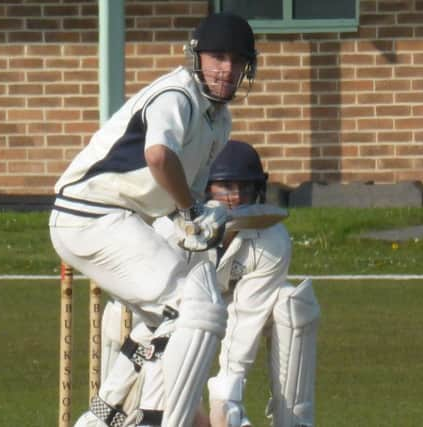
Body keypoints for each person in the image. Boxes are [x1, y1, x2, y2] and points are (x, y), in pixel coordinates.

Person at [49, 12, 258, 427]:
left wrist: (205, 218)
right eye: (218, 57)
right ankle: (163, 420)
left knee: (159, 320)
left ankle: (101, 417)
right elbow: (158, 157)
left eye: (237, 60)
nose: (227, 69)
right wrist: (190, 212)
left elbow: (187, 194)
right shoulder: (176, 97)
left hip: (125, 217)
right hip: (90, 215)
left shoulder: (220, 120)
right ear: (197, 58)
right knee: (192, 309)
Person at [100, 140, 321, 427]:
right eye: (226, 187)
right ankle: (112, 412)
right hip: (174, 315)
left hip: (230, 310)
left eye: (245, 187)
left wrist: (227, 396)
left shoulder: (273, 239)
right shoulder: (170, 232)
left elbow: (247, 316)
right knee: (119, 313)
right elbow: (158, 313)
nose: (236, 197)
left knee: (292, 304)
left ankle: (293, 421)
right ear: (205, 187)